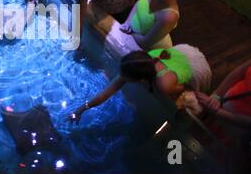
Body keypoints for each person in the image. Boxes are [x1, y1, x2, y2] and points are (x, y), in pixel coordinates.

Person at [67, 45, 212, 124]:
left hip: (194, 66)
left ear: (139, 79)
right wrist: (80, 110)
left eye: (125, 77)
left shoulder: (163, 85)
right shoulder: (140, 62)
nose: (121, 78)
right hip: (179, 53)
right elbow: (106, 93)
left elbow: (185, 87)